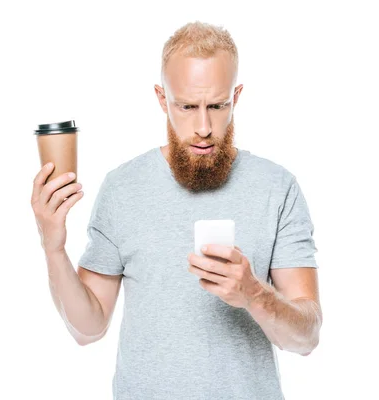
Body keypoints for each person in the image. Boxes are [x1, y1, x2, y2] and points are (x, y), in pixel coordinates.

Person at [30, 21, 322, 400]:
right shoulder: (122, 189)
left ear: (237, 96)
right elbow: (88, 329)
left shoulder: (277, 188)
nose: (203, 127)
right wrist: (52, 247)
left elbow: (307, 338)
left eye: (218, 105)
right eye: (187, 106)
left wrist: (254, 294)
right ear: (162, 98)